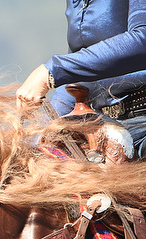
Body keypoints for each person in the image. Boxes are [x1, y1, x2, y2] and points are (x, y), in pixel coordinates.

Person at [16, 0, 146, 158]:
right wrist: (41, 135)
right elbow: (79, 74)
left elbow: (143, 39)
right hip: (102, 123)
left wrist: (52, 71)